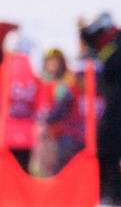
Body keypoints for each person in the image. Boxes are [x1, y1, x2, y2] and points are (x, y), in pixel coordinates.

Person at [80, 15, 121, 205]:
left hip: (117, 112)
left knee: (109, 154)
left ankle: (115, 195)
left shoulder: (119, 48)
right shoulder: (114, 47)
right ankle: (108, 193)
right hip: (112, 110)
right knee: (106, 155)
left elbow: (105, 67)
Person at [32, 48, 82, 177]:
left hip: (59, 134)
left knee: (56, 168)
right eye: (50, 61)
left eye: (56, 61)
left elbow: (64, 109)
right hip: (38, 134)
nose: (53, 64)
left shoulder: (66, 84)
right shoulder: (38, 82)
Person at [2, 26, 41, 170]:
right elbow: (40, 105)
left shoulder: (4, 70)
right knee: (23, 173)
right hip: (27, 135)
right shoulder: (35, 73)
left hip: (4, 133)